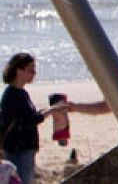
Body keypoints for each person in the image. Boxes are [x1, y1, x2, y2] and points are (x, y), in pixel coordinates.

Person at [1, 53, 70, 184]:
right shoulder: (12, 94)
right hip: (18, 148)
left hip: (23, 147)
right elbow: (30, 120)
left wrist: (50, 109)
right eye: (30, 69)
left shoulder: (20, 92)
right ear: (19, 71)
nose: (34, 73)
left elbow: (29, 116)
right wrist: (51, 110)